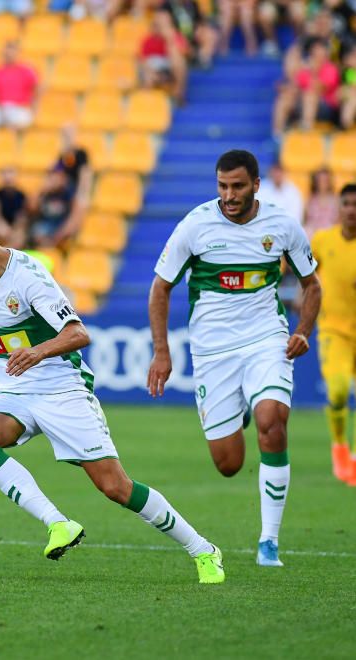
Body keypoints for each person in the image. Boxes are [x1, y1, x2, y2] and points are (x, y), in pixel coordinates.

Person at [0, 198, 224, 584]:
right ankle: (58, 523)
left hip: (61, 389)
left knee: (115, 487)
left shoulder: (28, 277)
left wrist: (36, 351)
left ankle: (203, 549)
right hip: (16, 391)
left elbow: (78, 333)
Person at [147, 149, 322, 568]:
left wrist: (302, 332)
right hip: (213, 352)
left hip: (267, 339)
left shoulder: (280, 225)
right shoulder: (196, 225)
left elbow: (312, 285)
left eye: (238, 186)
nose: (229, 195)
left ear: (256, 185)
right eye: (223, 186)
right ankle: (241, 408)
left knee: (272, 422)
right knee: (229, 464)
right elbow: (160, 288)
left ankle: (268, 542)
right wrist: (162, 351)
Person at [309, 184, 356, 485]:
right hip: (334, 330)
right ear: (339, 209)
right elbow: (303, 273)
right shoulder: (322, 241)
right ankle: (339, 445)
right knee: (338, 389)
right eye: (347, 204)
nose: (352, 209)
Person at [0, 41, 40, 130]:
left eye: (12, 51)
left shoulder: (27, 70)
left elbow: (36, 90)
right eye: (7, 51)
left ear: (18, 53)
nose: (9, 54)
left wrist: (34, 110)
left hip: (19, 108)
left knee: (20, 124)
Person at [257, 159, 303, 223]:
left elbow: (296, 216)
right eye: (275, 173)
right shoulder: (262, 188)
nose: (277, 176)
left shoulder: (293, 191)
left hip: (287, 228)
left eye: (279, 173)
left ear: (284, 174)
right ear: (270, 173)